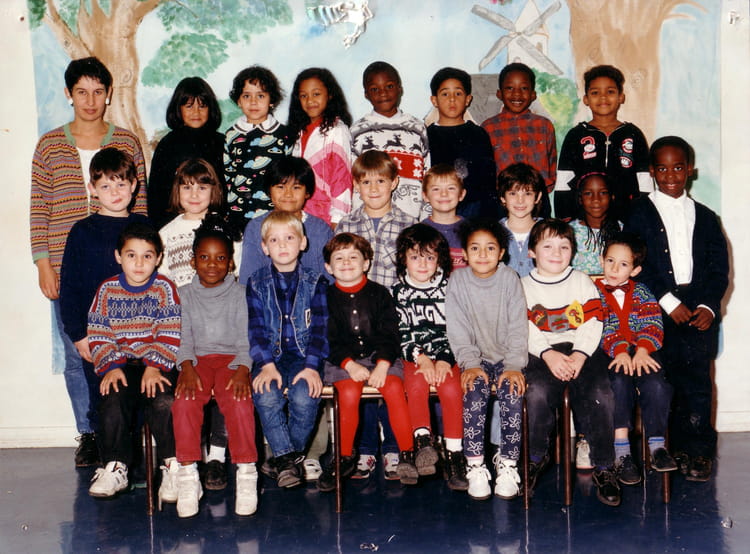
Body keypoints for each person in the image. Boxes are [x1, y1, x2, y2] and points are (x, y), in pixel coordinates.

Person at [30, 56, 147, 467]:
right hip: (70, 270)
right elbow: (39, 207)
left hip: (124, 269)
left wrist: (142, 262)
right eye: (82, 92)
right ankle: (90, 434)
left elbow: (141, 208)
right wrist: (43, 263)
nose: (91, 100)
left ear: (109, 93)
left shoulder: (127, 142)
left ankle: (126, 436)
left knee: (129, 352)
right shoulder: (49, 145)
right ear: (69, 94)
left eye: (98, 91)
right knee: (78, 353)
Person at [624, 136, 729, 482]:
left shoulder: (707, 217)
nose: (671, 175)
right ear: (652, 172)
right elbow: (639, 265)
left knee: (697, 383)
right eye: (663, 168)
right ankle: (669, 448)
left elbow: (718, 269)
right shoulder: (638, 213)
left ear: (690, 170)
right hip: (657, 312)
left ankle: (698, 451)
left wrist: (708, 306)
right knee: (664, 381)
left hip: (698, 312)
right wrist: (668, 302)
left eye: (678, 167)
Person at [520, 219, 620, 507]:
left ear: (572, 252)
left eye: (564, 247)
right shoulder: (522, 286)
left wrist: (580, 354)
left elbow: (593, 321)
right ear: (532, 252)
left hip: (582, 349)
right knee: (537, 393)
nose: (556, 253)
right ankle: (536, 457)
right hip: (541, 352)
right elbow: (524, 327)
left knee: (601, 394)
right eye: (548, 246)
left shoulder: (581, 281)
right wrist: (547, 353)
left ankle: (604, 465)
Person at [59, 148, 149, 466]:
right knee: (104, 396)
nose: (115, 192)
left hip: (139, 332)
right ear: (92, 189)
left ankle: (130, 460)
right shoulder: (82, 231)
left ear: (134, 185)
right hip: (97, 335)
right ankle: (109, 461)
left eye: (121, 184)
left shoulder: (144, 226)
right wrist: (78, 335)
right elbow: (69, 288)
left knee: (134, 397)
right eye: (106, 186)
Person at [335, 150, 416, 479]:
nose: (373, 188)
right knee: (360, 384)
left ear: (394, 183)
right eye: (365, 182)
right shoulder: (347, 224)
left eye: (381, 181)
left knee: (390, 383)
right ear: (356, 186)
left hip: (393, 321)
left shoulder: (409, 224)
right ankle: (366, 450)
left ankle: (394, 450)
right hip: (356, 320)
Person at [86, 222, 180, 503]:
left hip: (157, 364)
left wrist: (154, 365)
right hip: (122, 363)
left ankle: (173, 466)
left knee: (164, 401)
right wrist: (111, 366)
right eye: (131, 255)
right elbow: (99, 332)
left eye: (147, 256)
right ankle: (116, 466)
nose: (139, 263)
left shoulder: (164, 288)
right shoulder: (107, 290)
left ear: (158, 258)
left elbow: (170, 330)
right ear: (118, 256)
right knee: (112, 397)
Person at [171, 216, 258, 517]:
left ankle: (246, 474)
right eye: (204, 257)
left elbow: (246, 340)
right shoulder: (184, 294)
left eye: (220, 258)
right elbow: (182, 339)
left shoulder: (240, 294)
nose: (212, 264)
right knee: (184, 400)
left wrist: (243, 369)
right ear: (193, 261)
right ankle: (187, 475)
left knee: (238, 399)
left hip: (231, 361)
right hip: (197, 361)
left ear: (230, 263)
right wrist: (186, 367)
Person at [318, 233, 419, 491]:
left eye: (353, 257)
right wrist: (349, 364)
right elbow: (327, 338)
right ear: (328, 267)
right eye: (339, 258)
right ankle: (344, 456)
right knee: (348, 393)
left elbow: (390, 334)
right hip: (343, 361)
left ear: (366, 263)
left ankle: (408, 453)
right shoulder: (325, 297)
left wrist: (383, 364)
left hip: (381, 356)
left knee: (394, 388)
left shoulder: (380, 293)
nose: (346, 262)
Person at [446, 219, 528, 500]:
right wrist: (470, 364)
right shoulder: (458, 281)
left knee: (512, 391)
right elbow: (457, 329)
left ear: (501, 252)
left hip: (507, 357)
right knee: (474, 391)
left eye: (490, 248)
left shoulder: (509, 279)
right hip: (474, 358)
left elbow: (518, 327)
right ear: (464, 254)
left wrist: (514, 366)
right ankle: (475, 465)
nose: (482, 254)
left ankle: (508, 464)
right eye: (475, 248)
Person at [246, 212, 329, 489]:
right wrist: (266, 365)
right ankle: (288, 461)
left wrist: (312, 367)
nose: (282, 245)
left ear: (303, 243)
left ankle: (282, 460)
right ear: (264, 247)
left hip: (306, 359)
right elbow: (256, 330)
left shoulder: (316, 282)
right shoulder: (256, 283)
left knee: (305, 396)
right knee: (266, 394)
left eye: (290, 238)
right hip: (270, 358)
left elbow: (320, 330)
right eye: (274, 240)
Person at [594, 232, 676, 486]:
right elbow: (600, 325)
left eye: (623, 264)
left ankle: (657, 446)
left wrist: (642, 349)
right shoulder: (593, 291)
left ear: (636, 269)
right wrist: (619, 349)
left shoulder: (642, 291)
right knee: (619, 384)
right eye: (610, 261)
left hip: (642, 351)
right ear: (601, 260)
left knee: (657, 385)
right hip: (610, 352)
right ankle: (622, 452)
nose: (614, 269)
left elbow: (652, 322)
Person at [393, 224, 468, 490]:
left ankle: (454, 454)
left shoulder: (450, 288)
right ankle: (424, 442)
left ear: (440, 259)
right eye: (415, 257)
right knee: (415, 385)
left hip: (448, 354)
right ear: (404, 259)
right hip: (415, 356)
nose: (422, 264)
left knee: (451, 389)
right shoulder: (398, 292)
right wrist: (421, 358)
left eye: (429, 257)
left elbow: (458, 328)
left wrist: (445, 358)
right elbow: (401, 332)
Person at [555, 65, 650, 220]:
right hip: (584, 218)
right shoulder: (576, 135)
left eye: (610, 91)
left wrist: (645, 217)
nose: (603, 97)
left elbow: (644, 179)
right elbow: (564, 179)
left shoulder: (633, 134)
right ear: (586, 99)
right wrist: (563, 216)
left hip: (627, 217)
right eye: (595, 92)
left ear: (621, 97)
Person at [350, 61, 430, 219]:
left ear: (400, 88)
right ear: (366, 94)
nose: (383, 93)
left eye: (389, 86)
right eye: (375, 89)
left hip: (411, 218)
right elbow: (354, 179)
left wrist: (425, 217)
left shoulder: (417, 128)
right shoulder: (358, 131)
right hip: (369, 219)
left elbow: (427, 173)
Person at [239, 157, 333, 284]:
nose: (288, 194)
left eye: (296, 187)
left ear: (307, 192)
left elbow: (330, 281)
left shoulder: (321, 230)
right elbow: (247, 281)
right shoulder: (255, 228)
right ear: (269, 191)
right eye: (280, 187)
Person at [148, 77, 225, 230]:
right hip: (174, 223)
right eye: (189, 106)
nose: (196, 112)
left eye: (202, 106)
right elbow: (156, 194)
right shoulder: (167, 145)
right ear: (178, 109)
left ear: (210, 109)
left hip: (215, 222)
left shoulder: (221, 143)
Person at [481, 62, 555, 218]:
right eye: (509, 88)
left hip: (537, 199)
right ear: (499, 94)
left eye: (524, 88)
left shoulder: (544, 126)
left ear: (533, 94)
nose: (517, 94)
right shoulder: (488, 128)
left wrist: (543, 188)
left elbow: (551, 162)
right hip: (503, 200)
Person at [224, 65, 293, 229]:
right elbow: (228, 174)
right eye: (247, 96)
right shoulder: (231, 135)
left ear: (271, 100)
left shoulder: (284, 135)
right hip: (238, 212)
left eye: (260, 95)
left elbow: (289, 176)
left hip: (272, 214)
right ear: (239, 101)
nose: (253, 102)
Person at [426, 67, 496, 218]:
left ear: (468, 99)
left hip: (475, 213)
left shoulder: (479, 134)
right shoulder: (426, 135)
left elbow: (488, 182)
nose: (452, 99)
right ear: (434, 100)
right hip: (439, 210)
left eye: (458, 93)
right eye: (445, 94)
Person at [288, 67, 354, 226]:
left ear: (330, 94)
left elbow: (342, 178)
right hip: (298, 213)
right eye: (303, 96)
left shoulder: (337, 130)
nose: (310, 100)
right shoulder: (298, 132)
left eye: (316, 94)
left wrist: (337, 219)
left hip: (326, 216)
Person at [159, 158, 233, 288]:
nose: (194, 195)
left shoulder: (227, 229)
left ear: (213, 191)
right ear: (177, 190)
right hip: (181, 300)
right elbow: (162, 279)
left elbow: (236, 273)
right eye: (187, 187)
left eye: (202, 188)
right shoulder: (166, 234)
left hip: (219, 299)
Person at [497, 163, 545, 277]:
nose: (520, 200)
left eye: (527, 193)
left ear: (537, 197)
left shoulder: (547, 231)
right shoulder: (493, 232)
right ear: (502, 197)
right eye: (513, 193)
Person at [569, 172, 622, 275]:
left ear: (612, 197)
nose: (596, 199)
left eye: (603, 193)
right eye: (588, 193)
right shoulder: (569, 231)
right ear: (580, 199)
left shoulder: (622, 230)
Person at [421, 163, 468, 269]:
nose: (444, 194)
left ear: (461, 194)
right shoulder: (419, 231)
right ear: (425, 196)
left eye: (451, 188)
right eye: (436, 189)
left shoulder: (471, 230)